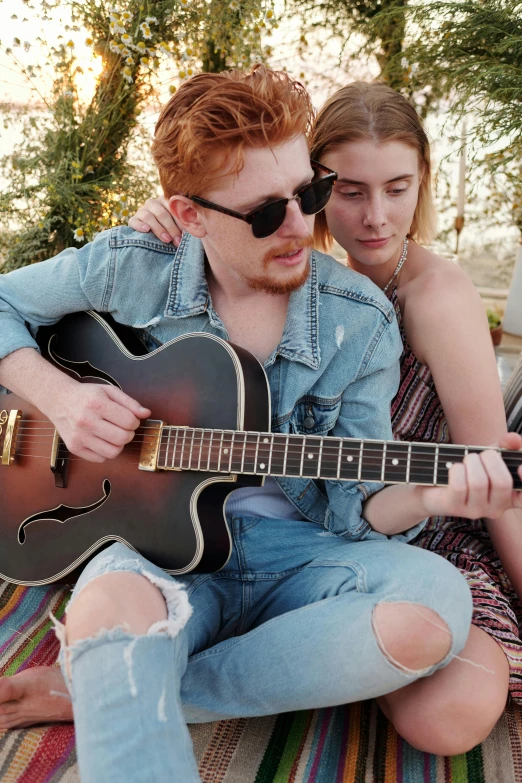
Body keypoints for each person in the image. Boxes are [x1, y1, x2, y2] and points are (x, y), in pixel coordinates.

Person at [0, 68, 519, 779]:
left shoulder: (359, 320)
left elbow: (357, 509)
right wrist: (59, 397)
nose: (304, 226)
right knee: (109, 614)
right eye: (267, 212)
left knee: (436, 602)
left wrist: (434, 496)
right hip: (156, 543)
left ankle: (118, 688)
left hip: (308, 551)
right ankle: (118, 671)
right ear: (189, 214)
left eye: (308, 194)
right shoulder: (136, 263)